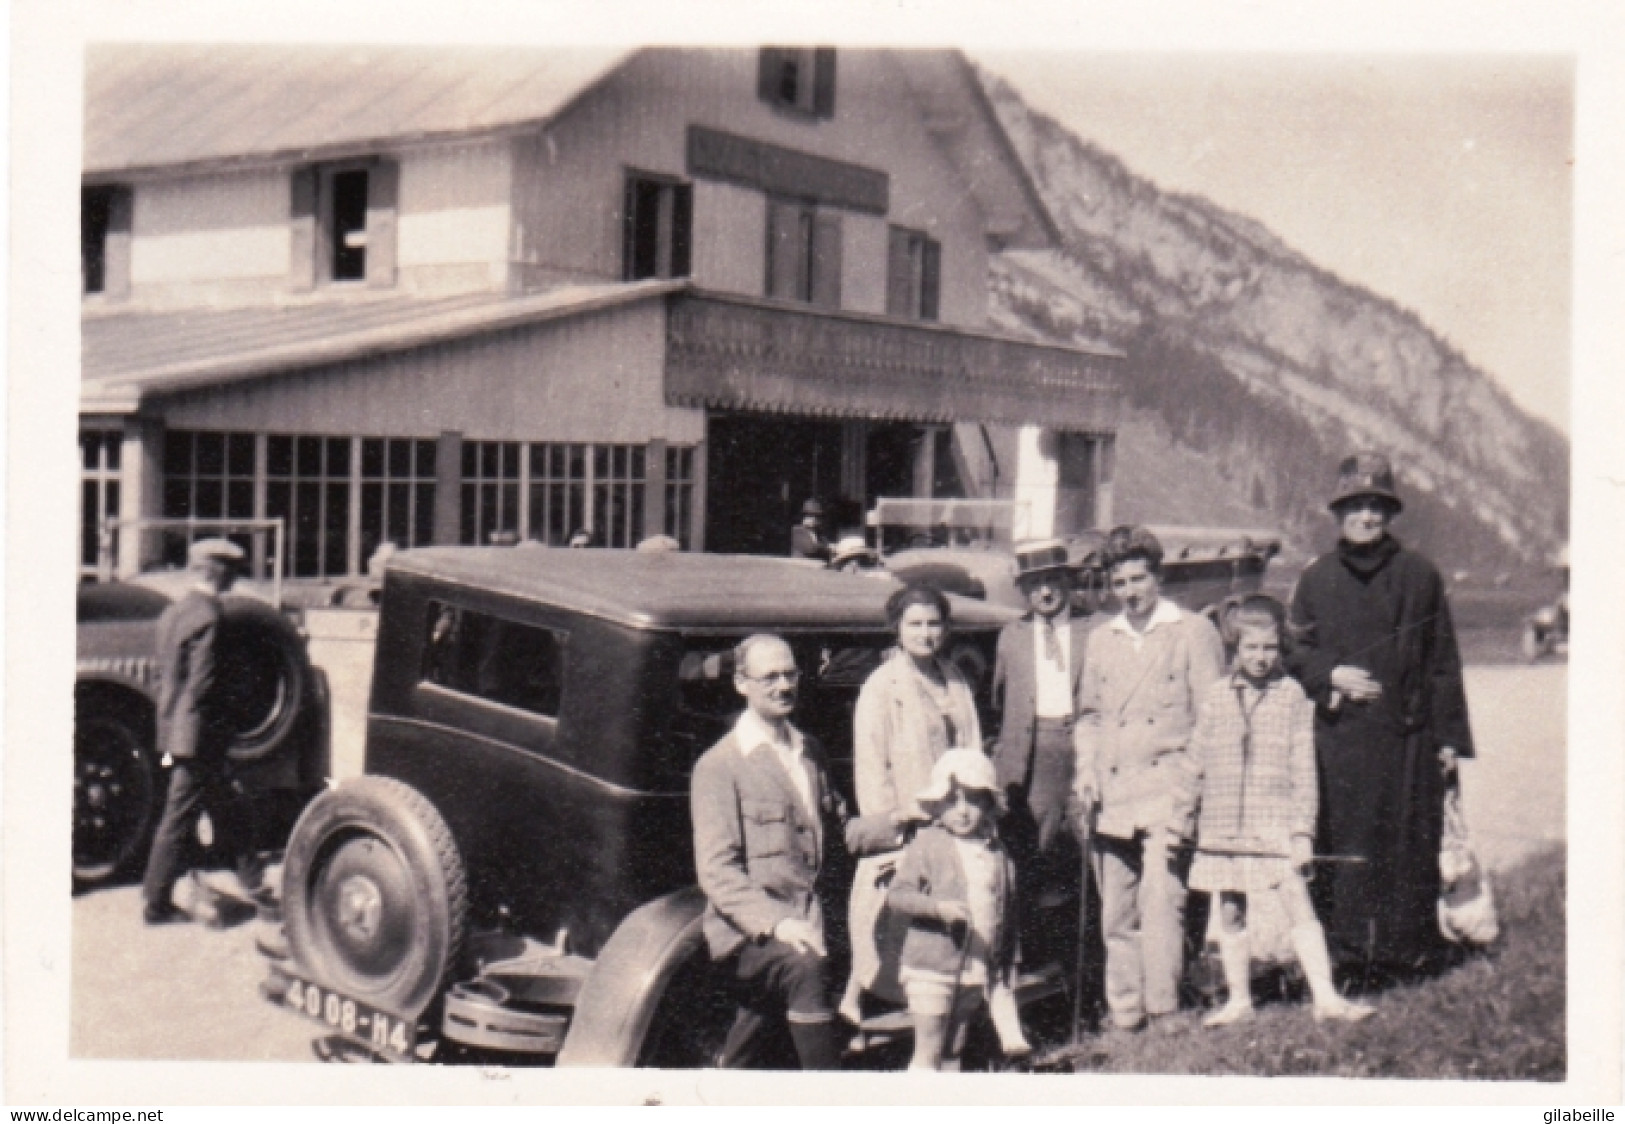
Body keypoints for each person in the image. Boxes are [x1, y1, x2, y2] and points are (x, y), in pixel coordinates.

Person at [1286, 452, 1474, 981]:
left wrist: (1448, 742)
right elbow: (1291, 654)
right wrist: (1330, 676)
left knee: (1410, 844)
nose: (1366, 517)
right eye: (1356, 506)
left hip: (1409, 740)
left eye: (1376, 506)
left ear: (1390, 513)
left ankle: (1410, 954)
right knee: (1344, 849)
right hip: (1340, 741)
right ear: (1339, 512)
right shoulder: (1316, 578)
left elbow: (1443, 661)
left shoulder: (1420, 575)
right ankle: (1346, 960)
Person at [690, 633, 895, 1069]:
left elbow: (840, 835)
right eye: (770, 678)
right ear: (741, 684)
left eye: (790, 674)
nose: (784, 686)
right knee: (803, 967)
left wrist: (904, 824)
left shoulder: (810, 753)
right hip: (748, 935)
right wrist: (779, 922)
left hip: (810, 923)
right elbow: (717, 873)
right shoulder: (719, 766)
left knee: (756, 1033)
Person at [1176, 595, 1375, 1027]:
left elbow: (1304, 771)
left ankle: (1326, 996)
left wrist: (1301, 832)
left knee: (1296, 901)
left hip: (1274, 822)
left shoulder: (1292, 697)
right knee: (1229, 909)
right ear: (1235, 648)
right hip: (1223, 824)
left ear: (1280, 647)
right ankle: (1239, 999)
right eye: (1251, 648)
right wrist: (1181, 815)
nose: (1261, 658)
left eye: (1269, 648)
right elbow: (1194, 760)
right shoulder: (1215, 698)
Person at [1072, 525, 1225, 1034]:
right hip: (1112, 796)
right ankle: (1124, 1011)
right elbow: (1089, 716)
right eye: (1120, 583)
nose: (1130, 592)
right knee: (1116, 911)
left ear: (1157, 577)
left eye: (1138, 579)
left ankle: (1163, 1010)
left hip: (1169, 792)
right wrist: (1087, 770)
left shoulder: (1193, 632)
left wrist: (1194, 793)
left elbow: (1212, 719)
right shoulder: (1101, 639)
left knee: (1162, 904)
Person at [841, 585, 982, 1022]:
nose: (926, 633)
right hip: (911, 819)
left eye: (934, 623)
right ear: (897, 629)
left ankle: (945, 1001)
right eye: (915, 624)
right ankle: (866, 1000)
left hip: (955, 815)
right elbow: (872, 764)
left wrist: (972, 803)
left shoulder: (954, 677)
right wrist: (894, 821)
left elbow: (971, 744)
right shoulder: (882, 687)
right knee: (895, 917)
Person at [141, 538, 266, 924]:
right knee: (178, 818)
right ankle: (155, 902)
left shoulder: (173, 613)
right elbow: (203, 684)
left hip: (173, 729)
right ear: (218, 571)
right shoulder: (211, 616)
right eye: (233, 571)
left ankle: (253, 883)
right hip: (199, 736)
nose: (236, 579)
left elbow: (167, 676)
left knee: (228, 806)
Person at [887, 748, 1030, 1070]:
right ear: (937, 805)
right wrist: (938, 908)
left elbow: (1006, 915)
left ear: (990, 804)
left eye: (973, 800)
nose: (962, 812)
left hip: (976, 966)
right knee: (930, 1046)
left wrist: (1007, 963)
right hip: (932, 965)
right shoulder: (928, 843)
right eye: (952, 801)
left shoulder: (997, 853)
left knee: (954, 1047)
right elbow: (897, 895)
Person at [991, 539, 1093, 959]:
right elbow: (999, 699)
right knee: (1035, 852)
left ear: (1068, 582)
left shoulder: (1096, 628)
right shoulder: (1012, 636)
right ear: (1023, 591)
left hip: (1085, 747)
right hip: (1034, 758)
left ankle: (1089, 956)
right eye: (1035, 585)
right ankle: (1035, 955)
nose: (1046, 593)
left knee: (1090, 850)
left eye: (1053, 581)